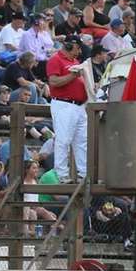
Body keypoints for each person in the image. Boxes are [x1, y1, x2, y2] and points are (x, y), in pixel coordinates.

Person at [46, 35, 89, 183]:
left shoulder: (74, 61)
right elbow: (54, 82)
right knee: (63, 140)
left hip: (79, 106)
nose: (79, 51)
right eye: (77, 48)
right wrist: (72, 76)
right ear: (69, 46)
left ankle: (84, 173)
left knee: (82, 140)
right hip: (64, 104)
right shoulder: (55, 60)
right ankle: (62, 175)